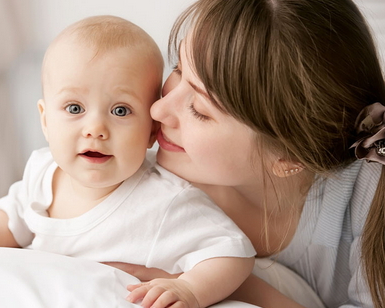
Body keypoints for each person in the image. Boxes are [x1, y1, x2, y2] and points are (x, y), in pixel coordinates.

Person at [0, 15, 256, 308]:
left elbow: (232, 252)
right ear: (46, 121)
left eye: (120, 111)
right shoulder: (43, 169)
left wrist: (191, 289)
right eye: (75, 108)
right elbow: (12, 215)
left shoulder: (165, 201)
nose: (96, 130)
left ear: (151, 132)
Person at [109, 0, 385, 307]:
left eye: (199, 111)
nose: (158, 109)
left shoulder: (371, 194)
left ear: (289, 158)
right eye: (178, 68)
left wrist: (212, 283)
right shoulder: (148, 184)